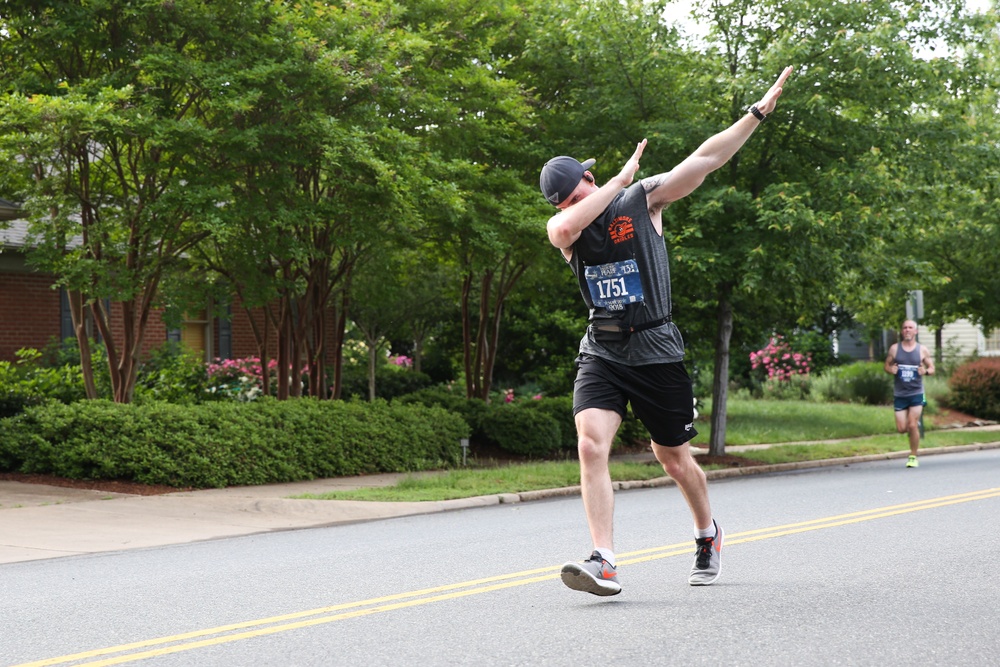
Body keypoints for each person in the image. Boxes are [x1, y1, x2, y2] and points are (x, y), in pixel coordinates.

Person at [540, 66, 794, 597]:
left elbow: (705, 158)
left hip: (655, 348)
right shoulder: (568, 229)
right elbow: (563, 226)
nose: (598, 178)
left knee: (673, 459)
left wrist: (755, 113)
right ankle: (604, 560)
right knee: (591, 446)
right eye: (589, 177)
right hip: (603, 349)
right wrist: (616, 180)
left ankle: (708, 532)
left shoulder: (645, 200)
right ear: (580, 187)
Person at [884, 319, 935, 468]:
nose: (907, 330)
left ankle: (913, 456)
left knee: (912, 425)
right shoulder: (894, 349)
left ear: (915, 331)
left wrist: (925, 371)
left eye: (910, 328)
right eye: (905, 328)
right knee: (901, 429)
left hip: (916, 393)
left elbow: (932, 368)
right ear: (902, 331)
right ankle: (914, 426)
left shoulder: (922, 350)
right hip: (900, 394)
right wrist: (890, 369)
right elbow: (886, 365)